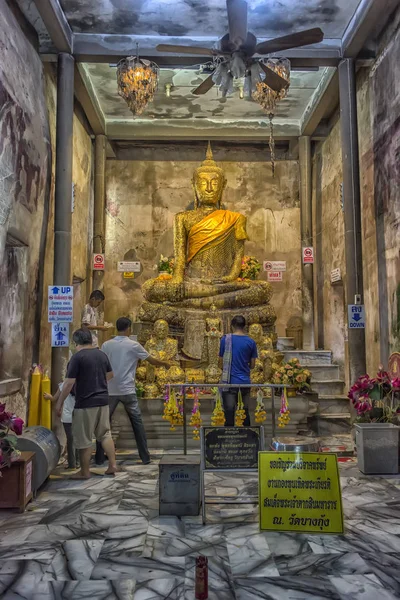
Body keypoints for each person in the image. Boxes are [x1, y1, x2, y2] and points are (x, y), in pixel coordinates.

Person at [94, 316, 171, 466]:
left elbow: (101, 365)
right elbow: (151, 360)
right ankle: (145, 456)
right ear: (129, 328)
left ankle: (99, 457)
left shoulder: (106, 345)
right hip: (127, 389)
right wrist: (165, 364)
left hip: (109, 389)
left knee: (103, 424)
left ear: (117, 328)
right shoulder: (133, 345)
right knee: (137, 423)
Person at [56, 328, 118, 479]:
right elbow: (110, 375)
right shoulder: (101, 355)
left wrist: (59, 403)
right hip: (103, 401)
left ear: (75, 342)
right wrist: (97, 382)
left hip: (85, 403)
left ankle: (84, 472)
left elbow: (69, 383)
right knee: (104, 434)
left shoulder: (77, 358)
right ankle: (112, 464)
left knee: (84, 437)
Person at [218, 315, 258, 426]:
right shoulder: (251, 342)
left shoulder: (225, 340)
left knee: (229, 414)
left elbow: (220, 362)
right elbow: (253, 365)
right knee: (244, 412)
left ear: (232, 326)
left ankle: (229, 440)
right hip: (245, 383)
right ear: (245, 326)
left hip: (229, 383)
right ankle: (248, 440)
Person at [45, 380, 79, 469]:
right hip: (79, 415)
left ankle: (72, 464)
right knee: (79, 439)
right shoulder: (83, 383)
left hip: (67, 417)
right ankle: (79, 462)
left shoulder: (64, 385)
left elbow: (54, 398)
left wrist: (48, 397)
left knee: (70, 440)